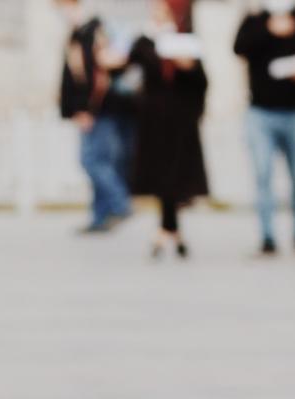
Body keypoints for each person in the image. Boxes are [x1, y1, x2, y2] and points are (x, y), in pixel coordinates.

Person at [129, 0, 209, 259]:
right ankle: (172, 231)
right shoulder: (144, 42)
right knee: (163, 177)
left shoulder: (186, 42)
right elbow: (134, 66)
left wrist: (188, 66)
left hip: (181, 121)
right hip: (155, 123)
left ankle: (167, 230)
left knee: (178, 177)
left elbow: (202, 82)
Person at [235, 0, 295, 254]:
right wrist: (268, 29)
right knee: (263, 175)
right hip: (261, 113)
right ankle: (268, 237)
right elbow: (239, 48)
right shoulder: (255, 20)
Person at [58, 0, 139, 233]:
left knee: (93, 160)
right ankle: (100, 217)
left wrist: (86, 108)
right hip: (93, 111)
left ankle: (120, 202)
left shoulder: (93, 32)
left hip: (98, 111)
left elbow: (95, 76)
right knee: (97, 160)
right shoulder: (78, 33)